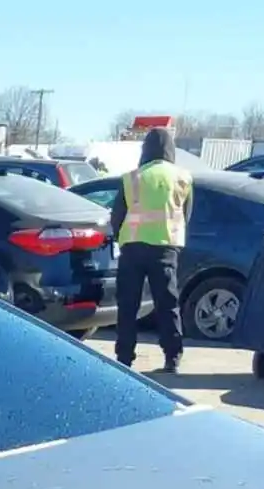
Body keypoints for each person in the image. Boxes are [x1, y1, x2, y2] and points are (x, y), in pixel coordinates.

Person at [109, 127, 194, 374]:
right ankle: (172, 357)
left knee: (128, 305)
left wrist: (121, 238)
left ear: (145, 148)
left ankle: (124, 358)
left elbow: (117, 216)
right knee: (167, 303)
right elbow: (185, 215)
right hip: (166, 248)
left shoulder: (132, 177)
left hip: (133, 248)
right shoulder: (183, 178)